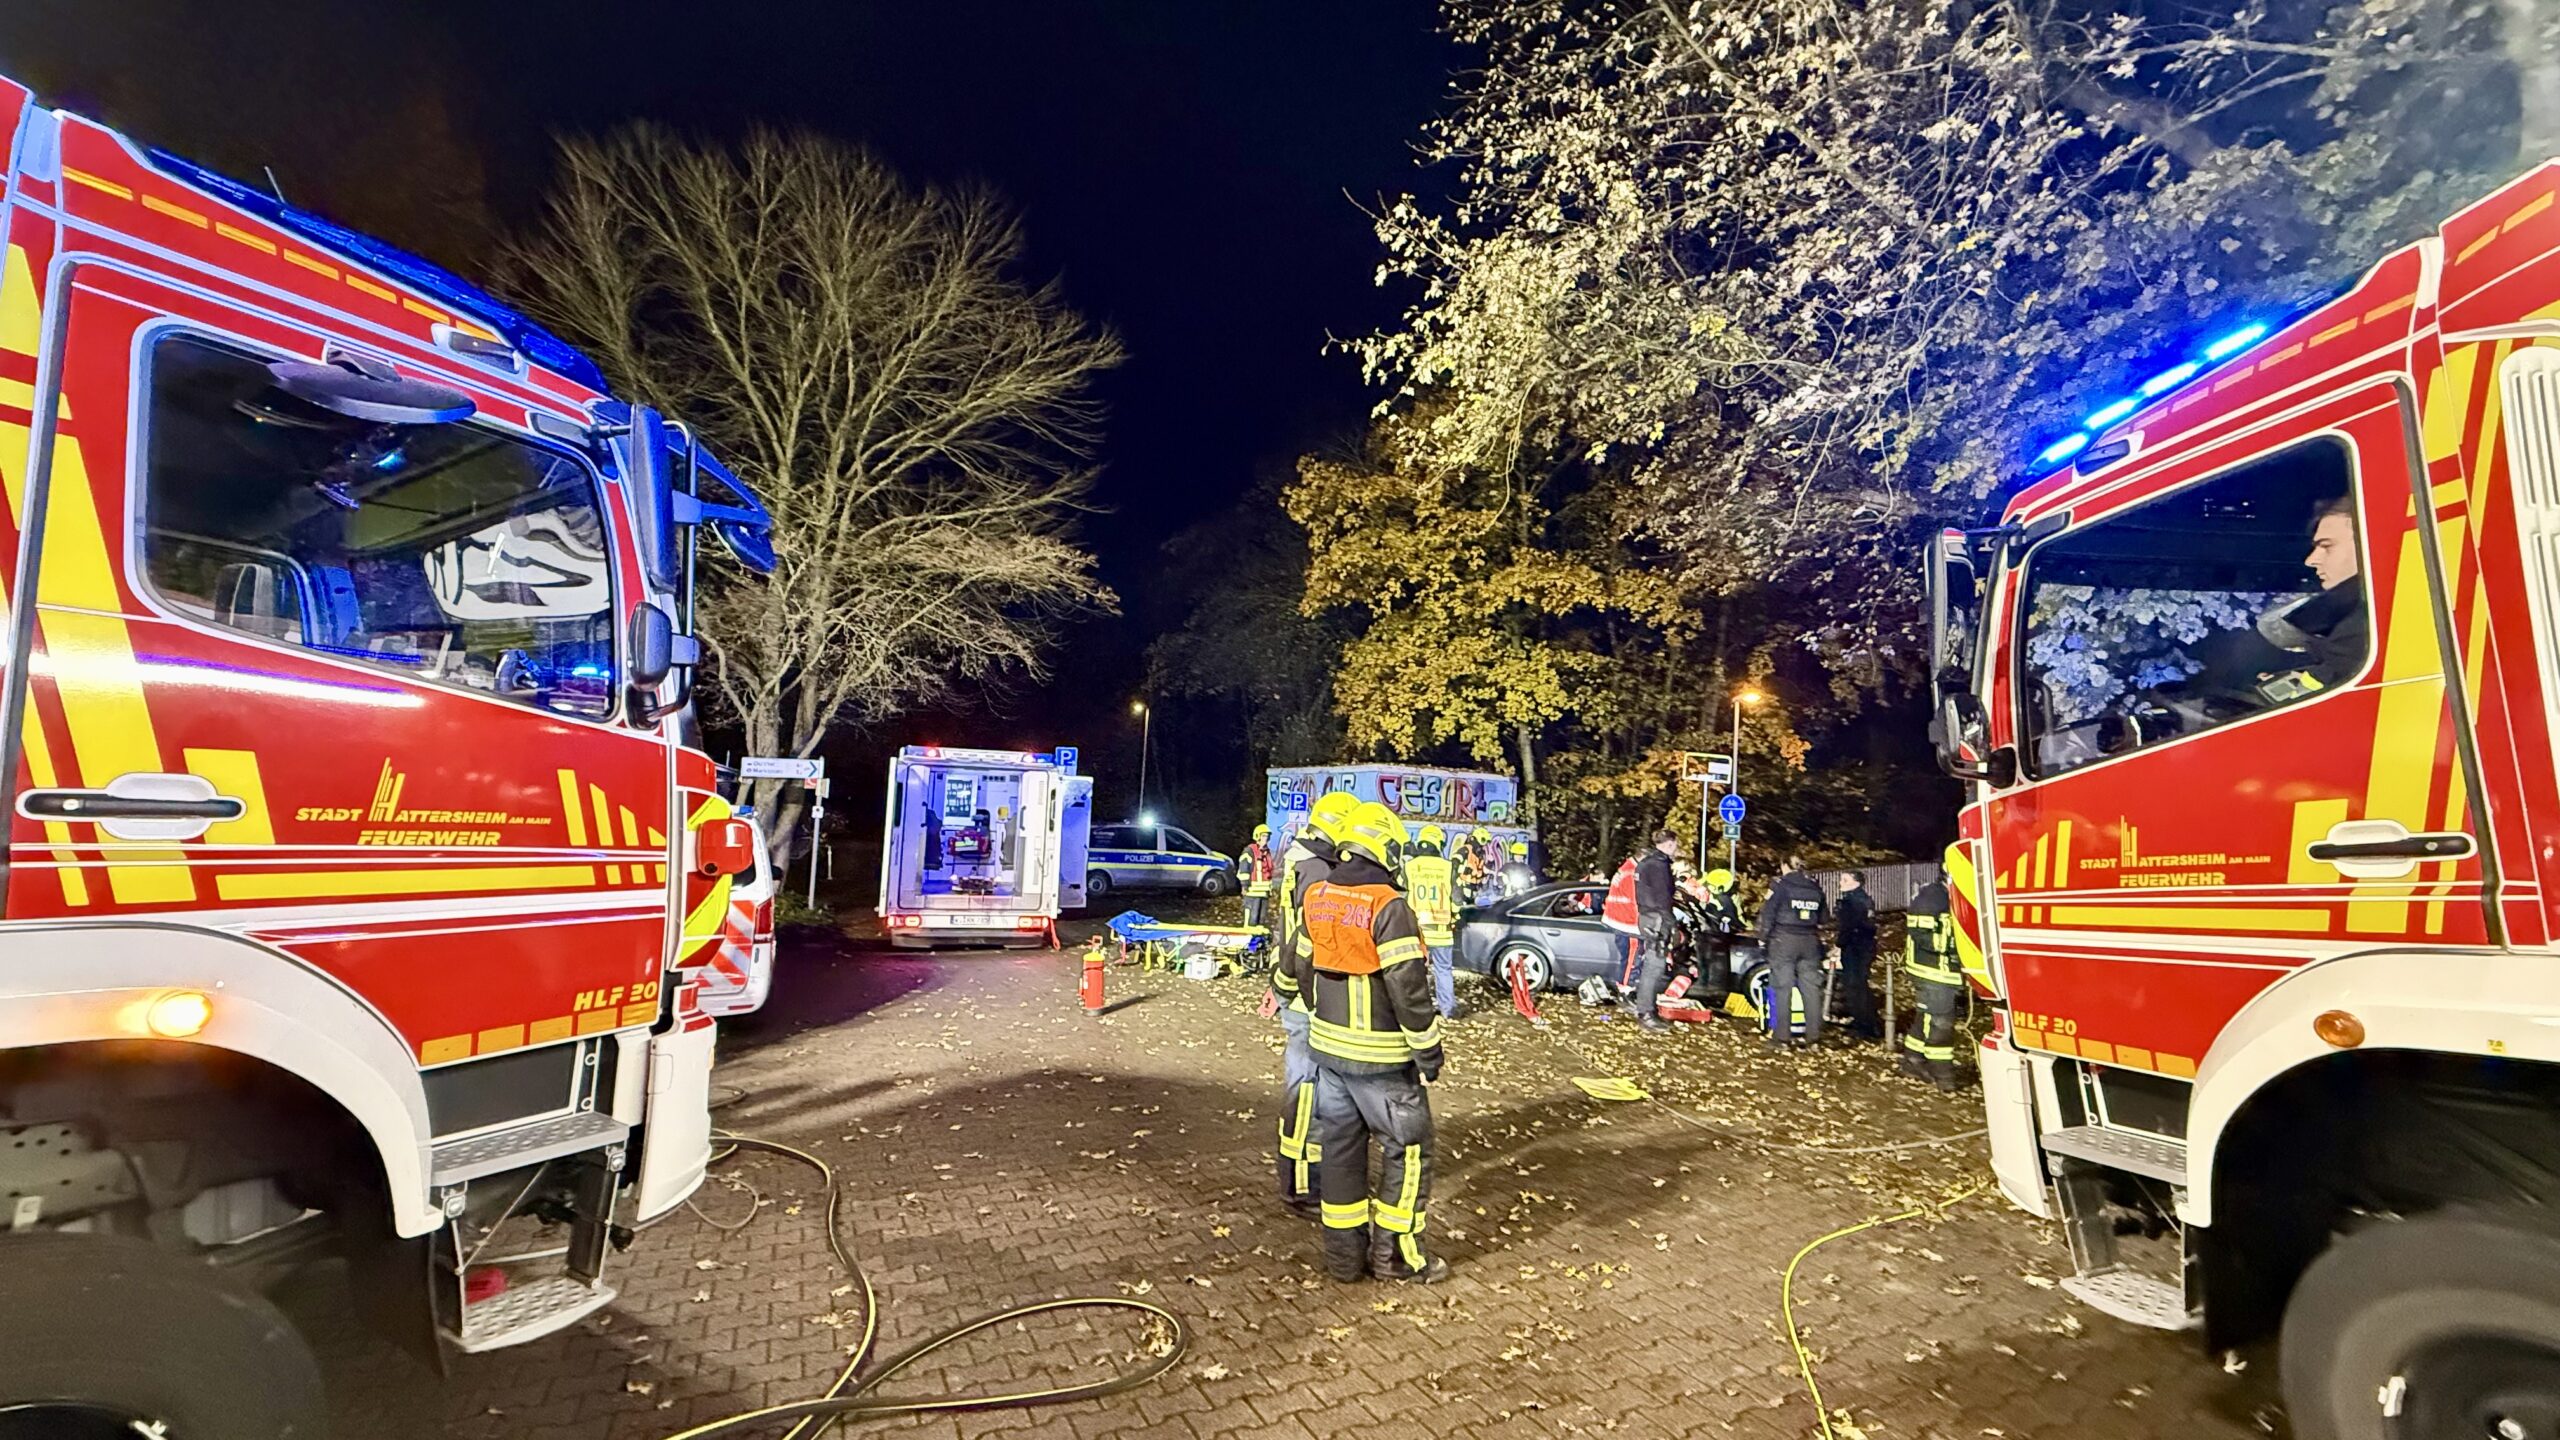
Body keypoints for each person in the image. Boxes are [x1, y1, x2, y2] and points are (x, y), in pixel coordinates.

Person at [1288, 801, 1448, 1284]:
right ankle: (1396, 1259)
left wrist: (1319, 1014)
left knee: (1339, 1153)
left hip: (1329, 1055)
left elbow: (1300, 965)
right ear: (1386, 848)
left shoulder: (1317, 895)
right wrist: (1428, 1052)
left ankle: (1343, 1260)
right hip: (1383, 1062)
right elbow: (1408, 988)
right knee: (1409, 1150)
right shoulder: (1387, 905)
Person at [1268, 791, 1359, 1220]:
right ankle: (1304, 1188)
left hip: (1297, 993)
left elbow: (1285, 932)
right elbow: (1311, 941)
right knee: (1309, 1093)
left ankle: (1306, 1180)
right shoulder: (1320, 870)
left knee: (1306, 1089)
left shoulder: (1301, 861)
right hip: (1310, 1000)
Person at [1900, 866, 1965, 1091]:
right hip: (1931, 971)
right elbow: (1921, 936)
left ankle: (1912, 1060)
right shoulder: (1931, 899)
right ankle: (1943, 1074)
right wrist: (1958, 947)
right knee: (1941, 1023)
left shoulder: (1952, 897)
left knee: (1926, 1017)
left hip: (1944, 971)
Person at [1756, 855, 1828, 1049]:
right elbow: (1824, 918)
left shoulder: (1780, 886)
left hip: (1784, 941)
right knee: (1812, 990)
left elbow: (1768, 915)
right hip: (1810, 941)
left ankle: (1782, 1038)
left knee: (1782, 988)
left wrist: (1763, 939)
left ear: (1784, 865)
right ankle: (1813, 1039)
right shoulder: (1814, 887)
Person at [1400, 824, 1462, 1019]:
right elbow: (1457, 900)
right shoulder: (1448, 867)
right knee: (1443, 970)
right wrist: (1455, 917)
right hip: (1442, 931)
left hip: (1416, 931)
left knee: (1417, 972)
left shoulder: (1409, 867)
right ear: (1439, 844)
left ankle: (1419, 1011)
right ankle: (1448, 1011)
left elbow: (1401, 893)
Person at [1629, 831, 1680, 1032]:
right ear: (1669, 844)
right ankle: (1646, 1013)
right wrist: (1671, 922)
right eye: (1675, 844)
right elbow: (1662, 897)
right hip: (1657, 919)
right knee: (1654, 966)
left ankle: (1645, 1009)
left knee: (1651, 965)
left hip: (1646, 916)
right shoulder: (1659, 865)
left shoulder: (1645, 862)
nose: (1676, 848)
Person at [1831, 870, 1883, 1043]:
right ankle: (1868, 1022)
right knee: (1861, 984)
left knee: (1854, 986)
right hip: (1865, 946)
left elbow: (1847, 927)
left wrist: (1838, 945)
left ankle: (1864, 1026)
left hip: (1854, 948)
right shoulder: (1865, 899)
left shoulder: (1850, 901)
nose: (1840, 883)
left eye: (1845, 880)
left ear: (1856, 883)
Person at [1602, 853, 1641, 1000]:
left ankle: (1623, 985)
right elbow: (1636, 900)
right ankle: (1625, 988)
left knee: (1625, 957)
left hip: (1617, 919)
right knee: (1631, 957)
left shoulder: (1624, 869)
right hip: (1628, 922)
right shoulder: (1633, 873)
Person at [1238, 823, 1277, 949]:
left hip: (1263, 892)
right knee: (1251, 920)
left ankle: (1256, 947)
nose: (1266, 839)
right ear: (1257, 836)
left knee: (1261, 921)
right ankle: (1247, 947)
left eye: (1267, 836)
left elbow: (1268, 872)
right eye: (1264, 836)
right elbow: (1244, 869)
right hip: (1252, 892)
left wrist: (1269, 889)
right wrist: (1245, 885)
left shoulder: (1267, 852)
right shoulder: (1250, 851)